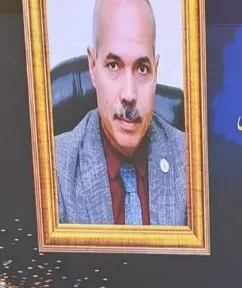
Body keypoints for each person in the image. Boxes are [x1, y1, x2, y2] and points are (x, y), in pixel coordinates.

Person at [55, 0, 187, 226]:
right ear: (93, 66)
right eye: (114, 65)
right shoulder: (54, 168)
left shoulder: (191, 162)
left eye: (142, 69)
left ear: (156, 71)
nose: (129, 94)